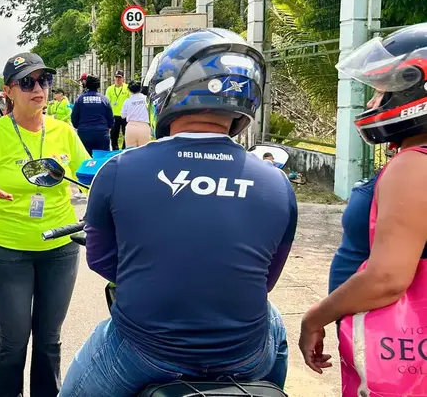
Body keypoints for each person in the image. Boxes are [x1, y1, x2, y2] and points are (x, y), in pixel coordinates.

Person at [61, 28, 296, 397]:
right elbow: (266, 279)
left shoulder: (119, 170)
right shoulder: (277, 183)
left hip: (142, 352)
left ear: (168, 90)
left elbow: (103, 262)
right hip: (245, 356)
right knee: (276, 326)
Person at [299, 23, 427, 375]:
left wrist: (315, 317)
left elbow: (386, 277)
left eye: (383, 91)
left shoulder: (414, 167)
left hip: (403, 351)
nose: (372, 103)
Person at [0, 51, 90, 397]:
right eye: (27, 82)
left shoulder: (64, 131)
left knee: (49, 340)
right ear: (9, 91)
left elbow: (89, 174)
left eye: (44, 80)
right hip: (9, 252)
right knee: (14, 340)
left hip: (60, 249)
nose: (39, 88)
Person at [71, 75, 113, 154]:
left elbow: (74, 118)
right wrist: (108, 127)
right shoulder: (104, 99)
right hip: (101, 133)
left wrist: (78, 127)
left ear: (86, 84)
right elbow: (110, 118)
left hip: (84, 133)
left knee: (85, 159)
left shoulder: (80, 99)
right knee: (102, 159)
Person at [120, 80, 150, 148]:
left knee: (130, 152)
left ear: (129, 90)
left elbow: (122, 116)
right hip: (144, 126)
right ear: (140, 89)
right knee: (144, 151)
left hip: (131, 127)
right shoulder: (146, 99)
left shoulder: (127, 101)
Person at [105, 71, 131, 149]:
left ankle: (124, 149)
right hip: (114, 115)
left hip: (124, 115)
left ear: (123, 78)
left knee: (126, 134)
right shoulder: (110, 89)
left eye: (119, 77)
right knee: (113, 135)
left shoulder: (127, 88)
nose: (118, 79)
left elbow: (130, 100)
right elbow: (107, 102)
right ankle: (115, 149)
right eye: (116, 77)